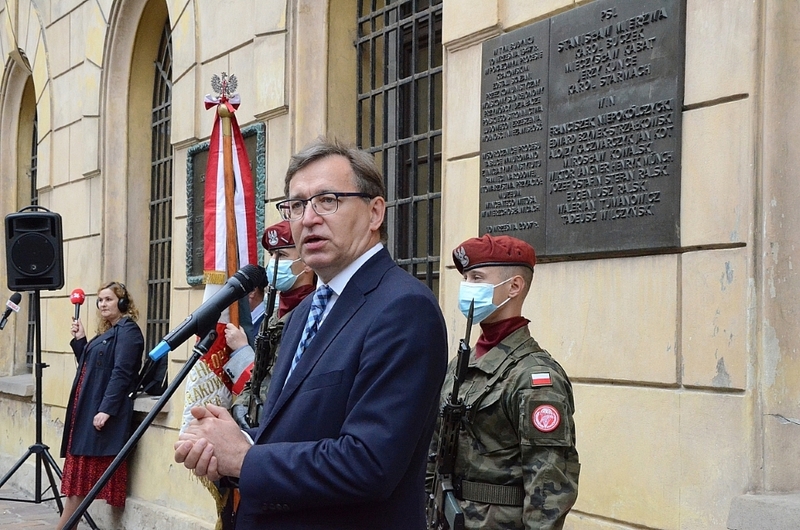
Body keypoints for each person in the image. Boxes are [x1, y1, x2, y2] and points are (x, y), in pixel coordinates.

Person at [174, 138, 448, 529]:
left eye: (328, 200)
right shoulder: (304, 312)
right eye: (297, 205)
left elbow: (369, 463)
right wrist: (228, 443)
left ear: (375, 212)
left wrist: (245, 458)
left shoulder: (403, 308)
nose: (308, 218)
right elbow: (295, 430)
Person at [427, 234, 580, 530]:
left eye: (477, 278)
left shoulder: (534, 376)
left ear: (513, 287)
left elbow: (548, 486)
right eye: (467, 278)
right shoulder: (462, 364)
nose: (468, 287)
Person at [57, 282, 144, 530]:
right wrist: (81, 340)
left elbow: (122, 373)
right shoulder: (108, 332)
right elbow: (91, 365)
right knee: (76, 488)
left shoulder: (128, 332)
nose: (102, 304)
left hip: (100, 415)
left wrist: (106, 409)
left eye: (108, 299)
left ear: (123, 303)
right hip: (86, 412)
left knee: (78, 489)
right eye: (100, 300)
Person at [226, 219, 316, 428]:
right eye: (272, 255)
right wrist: (242, 404)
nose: (274, 263)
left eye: (282, 255)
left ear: (307, 263)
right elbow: (259, 373)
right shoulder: (273, 314)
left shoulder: (316, 312)